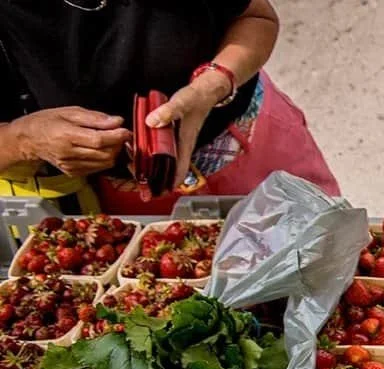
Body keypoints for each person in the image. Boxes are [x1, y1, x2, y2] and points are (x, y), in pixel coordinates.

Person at [0, 1, 337, 215]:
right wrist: (24, 140)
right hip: (133, 210)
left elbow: (257, 16)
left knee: (327, 277)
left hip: (258, 154)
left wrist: (213, 85)